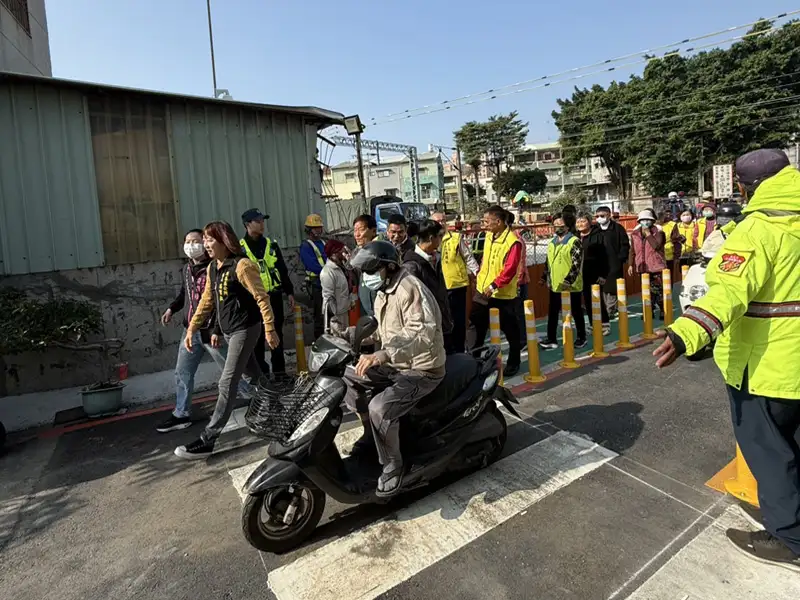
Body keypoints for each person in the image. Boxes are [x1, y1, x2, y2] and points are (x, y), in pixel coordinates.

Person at [653, 148, 800, 571]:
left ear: (741, 186)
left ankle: (789, 537)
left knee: (769, 452)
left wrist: (685, 333)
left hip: (766, 368)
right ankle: (790, 510)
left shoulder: (758, 230)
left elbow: (727, 293)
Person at [346, 240, 446, 497]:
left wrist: (383, 354)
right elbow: (383, 329)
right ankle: (372, 435)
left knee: (379, 407)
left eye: (371, 271)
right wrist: (351, 335)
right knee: (348, 376)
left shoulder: (410, 288)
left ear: (389, 267)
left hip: (421, 369)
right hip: (396, 364)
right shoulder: (385, 290)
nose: (367, 277)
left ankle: (393, 465)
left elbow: (420, 333)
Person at [175, 221, 279, 459]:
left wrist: (270, 329)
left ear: (223, 240)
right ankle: (280, 409)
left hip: (245, 329)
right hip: (230, 330)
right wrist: (192, 328)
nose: (205, 244)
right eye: (204, 239)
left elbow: (262, 298)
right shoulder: (214, 267)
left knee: (227, 382)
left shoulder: (242, 266)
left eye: (209, 239)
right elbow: (206, 301)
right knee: (254, 377)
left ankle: (209, 438)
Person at [157, 229, 251, 433]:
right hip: (190, 331)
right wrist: (172, 309)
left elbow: (219, 302)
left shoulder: (214, 268)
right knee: (182, 372)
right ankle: (181, 414)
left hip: (211, 332)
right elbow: (185, 293)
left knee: (231, 371)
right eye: (187, 241)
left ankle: (255, 398)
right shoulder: (187, 269)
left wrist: (217, 329)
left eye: (196, 241)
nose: (191, 245)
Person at [470, 205, 524, 376]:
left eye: (487, 221)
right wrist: (479, 276)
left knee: (510, 330)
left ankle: (514, 362)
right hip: (482, 290)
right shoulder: (488, 236)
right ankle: (473, 362)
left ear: (498, 222)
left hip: (502, 294)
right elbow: (485, 259)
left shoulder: (513, 242)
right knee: (475, 327)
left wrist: (493, 285)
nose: (484, 224)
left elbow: (510, 269)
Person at [240, 208, 293, 379]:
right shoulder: (241, 249)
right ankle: (261, 374)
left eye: (263, 220)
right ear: (248, 224)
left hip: (274, 297)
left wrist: (290, 292)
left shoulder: (271, 244)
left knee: (276, 334)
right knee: (257, 337)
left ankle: (279, 373)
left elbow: (282, 270)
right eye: (258, 221)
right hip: (252, 300)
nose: (262, 224)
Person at [402, 219, 454, 352]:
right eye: (440, 236)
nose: (442, 240)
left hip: (441, 322)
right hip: (427, 329)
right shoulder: (412, 266)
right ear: (431, 238)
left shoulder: (435, 257)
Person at [431, 211, 479, 353]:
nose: (441, 223)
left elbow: (468, 257)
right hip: (438, 287)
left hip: (457, 285)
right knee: (442, 321)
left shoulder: (456, 238)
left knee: (458, 320)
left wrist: (477, 273)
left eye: (443, 220)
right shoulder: (430, 240)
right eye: (437, 221)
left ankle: (459, 350)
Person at [539, 213, 587, 350]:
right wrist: (543, 277)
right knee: (553, 312)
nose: (557, 228)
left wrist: (568, 280)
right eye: (555, 225)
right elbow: (548, 262)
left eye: (561, 225)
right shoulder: (552, 243)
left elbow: (576, 264)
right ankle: (551, 339)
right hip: (555, 285)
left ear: (567, 226)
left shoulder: (574, 241)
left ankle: (581, 337)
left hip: (571, 285)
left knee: (576, 311)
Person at [628, 208, 667, 320]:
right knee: (646, 291)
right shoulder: (635, 234)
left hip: (656, 267)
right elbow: (632, 250)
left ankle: (663, 310)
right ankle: (648, 311)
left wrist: (649, 234)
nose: (645, 222)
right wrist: (631, 264)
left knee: (658, 290)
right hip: (642, 266)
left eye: (648, 220)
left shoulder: (659, 232)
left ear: (652, 221)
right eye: (642, 220)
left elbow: (656, 246)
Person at [576, 213, 610, 335]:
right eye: (578, 221)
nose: (580, 224)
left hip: (595, 273)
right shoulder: (575, 237)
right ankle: (592, 324)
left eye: (583, 221)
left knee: (597, 299)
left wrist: (603, 274)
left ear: (589, 222)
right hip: (581, 274)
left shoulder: (598, 236)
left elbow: (604, 257)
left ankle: (605, 323)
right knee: (587, 299)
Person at [594, 205, 630, 320]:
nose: (600, 218)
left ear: (609, 215)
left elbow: (625, 245)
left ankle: (610, 309)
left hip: (614, 262)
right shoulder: (595, 229)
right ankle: (606, 308)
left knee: (612, 287)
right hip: (599, 263)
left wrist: (620, 258)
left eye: (602, 216)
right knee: (602, 287)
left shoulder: (618, 228)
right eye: (597, 216)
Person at [300, 214, 327, 339]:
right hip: (316, 283)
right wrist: (329, 271)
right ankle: (319, 341)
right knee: (319, 316)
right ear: (309, 230)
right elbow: (312, 265)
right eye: (315, 228)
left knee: (329, 314)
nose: (318, 231)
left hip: (327, 282)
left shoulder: (323, 242)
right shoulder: (306, 246)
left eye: (319, 228)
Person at [507, 211, 532, 346]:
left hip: (517, 283)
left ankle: (522, 340)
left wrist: (516, 283)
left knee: (519, 313)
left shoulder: (516, 239)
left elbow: (520, 264)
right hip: (508, 284)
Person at [320, 239, 353, 335]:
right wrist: (333, 320)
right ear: (334, 253)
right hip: (336, 316)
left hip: (344, 312)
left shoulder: (340, 268)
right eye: (342, 251)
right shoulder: (327, 272)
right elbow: (328, 298)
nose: (344, 253)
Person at [352, 214, 378, 316]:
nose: (357, 234)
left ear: (373, 231)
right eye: (355, 230)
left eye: (361, 230)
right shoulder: (361, 250)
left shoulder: (378, 251)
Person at [659, 211, 684, 278]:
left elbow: (676, 241)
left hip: (668, 257)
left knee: (667, 279)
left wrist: (677, 256)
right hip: (654, 258)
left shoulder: (671, 225)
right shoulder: (650, 226)